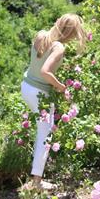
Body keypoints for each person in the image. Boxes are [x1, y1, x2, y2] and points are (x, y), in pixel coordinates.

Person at [21, 13, 87, 189]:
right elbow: (45, 71)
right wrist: (61, 87)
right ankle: (36, 182)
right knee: (45, 136)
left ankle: (36, 178)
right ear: (71, 33)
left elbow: (37, 63)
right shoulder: (59, 47)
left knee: (40, 131)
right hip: (40, 93)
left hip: (26, 87)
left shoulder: (41, 35)